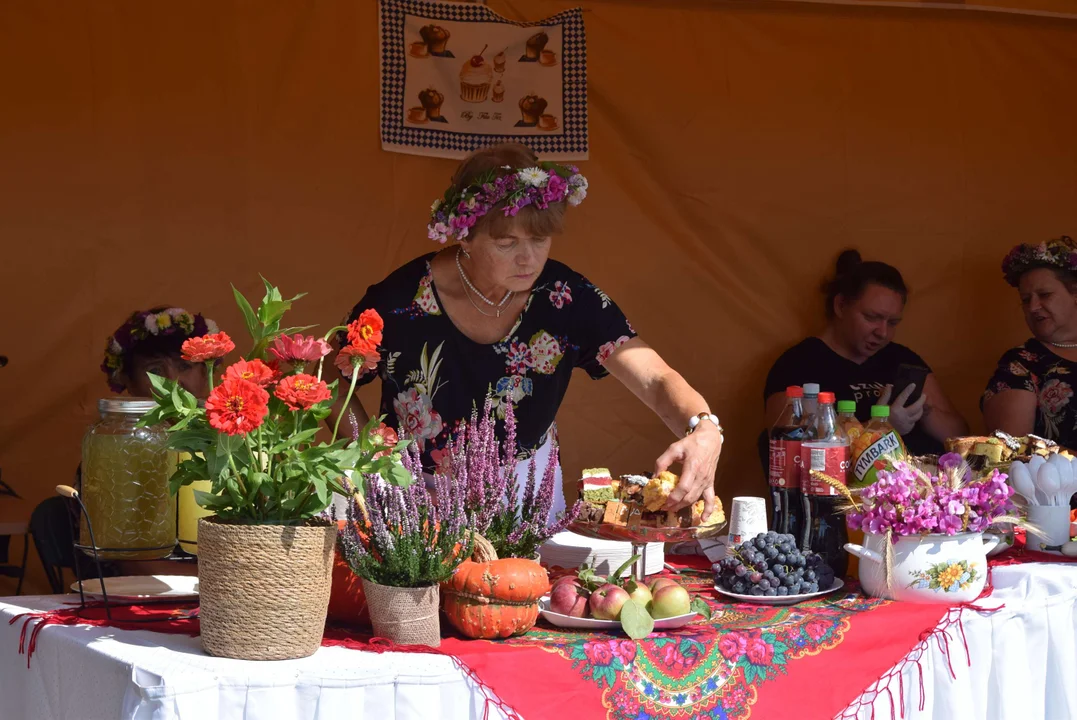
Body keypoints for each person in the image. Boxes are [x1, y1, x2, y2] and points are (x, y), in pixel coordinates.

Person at [334, 143, 724, 519]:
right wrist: (370, 454)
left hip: (525, 496)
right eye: (506, 243)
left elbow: (654, 378)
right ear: (464, 235)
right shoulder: (398, 301)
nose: (529, 258)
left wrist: (703, 427)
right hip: (412, 498)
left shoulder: (566, 297)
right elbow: (326, 380)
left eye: (539, 240)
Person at [764, 250, 968, 455]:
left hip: (925, 478)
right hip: (845, 484)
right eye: (872, 318)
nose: (883, 332)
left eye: (893, 322)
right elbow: (787, 451)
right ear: (841, 306)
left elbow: (962, 439)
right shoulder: (797, 364)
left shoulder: (902, 359)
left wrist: (925, 411)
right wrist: (881, 427)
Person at [983, 235, 1077, 450]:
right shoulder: (1021, 364)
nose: (1033, 307)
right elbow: (1015, 451)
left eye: (1045, 295)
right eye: (1026, 300)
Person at [101, 306, 215, 397]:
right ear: (129, 382)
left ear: (205, 372)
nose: (172, 384)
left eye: (184, 366)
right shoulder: (112, 427)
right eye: (155, 371)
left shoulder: (228, 425)